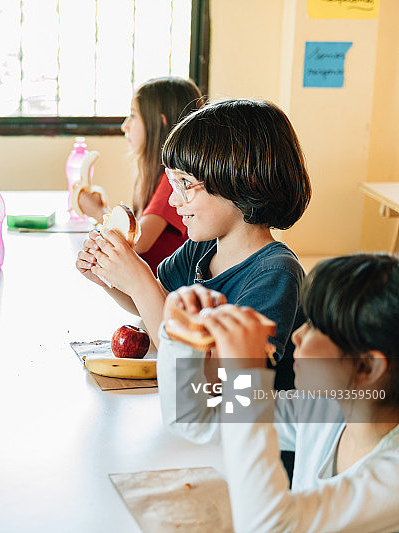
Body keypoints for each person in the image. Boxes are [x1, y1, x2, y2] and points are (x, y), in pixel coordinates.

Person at [76, 98, 311, 390]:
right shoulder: (203, 248)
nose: (174, 200)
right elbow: (154, 305)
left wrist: (138, 281)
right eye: (174, 185)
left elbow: (221, 379)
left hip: (253, 425)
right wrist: (106, 277)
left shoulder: (276, 273)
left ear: (244, 182)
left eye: (186, 184)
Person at [157, 254, 399, 533]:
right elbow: (190, 420)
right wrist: (179, 335)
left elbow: (268, 526)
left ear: (367, 366)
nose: (297, 336)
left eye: (316, 326)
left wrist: (245, 373)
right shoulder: (321, 410)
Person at [77, 76, 202, 271]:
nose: (124, 126)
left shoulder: (174, 181)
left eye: (133, 116)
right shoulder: (156, 175)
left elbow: (138, 241)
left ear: (159, 123)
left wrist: (98, 212)